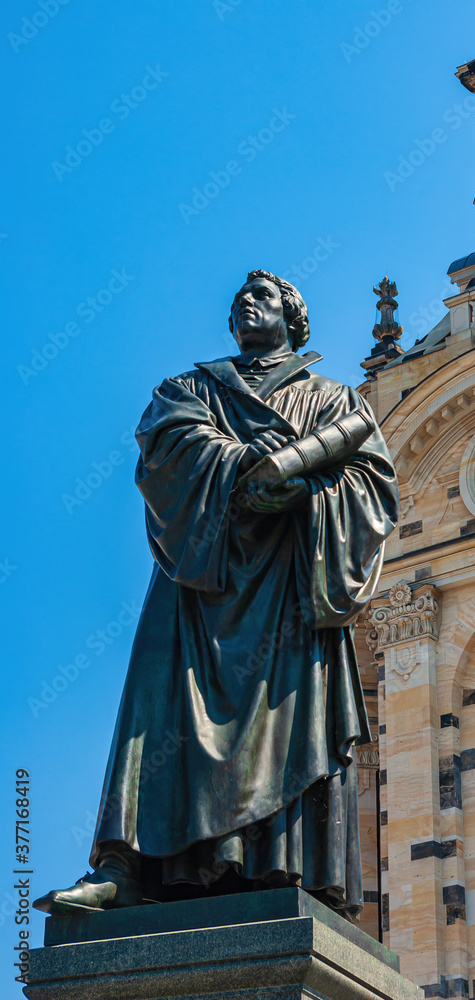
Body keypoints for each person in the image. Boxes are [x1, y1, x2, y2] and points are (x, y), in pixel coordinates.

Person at [34, 270, 398, 921]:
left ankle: (289, 870)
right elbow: (166, 448)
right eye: (236, 302)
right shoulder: (190, 388)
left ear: (293, 316)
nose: (243, 307)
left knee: (284, 720)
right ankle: (126, 867)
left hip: (289, 583)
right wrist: (238, 466)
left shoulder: (335, 400)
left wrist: (300, 489)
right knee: (158, 711)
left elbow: (372, 488)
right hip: (200, 580)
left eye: (259, 298)